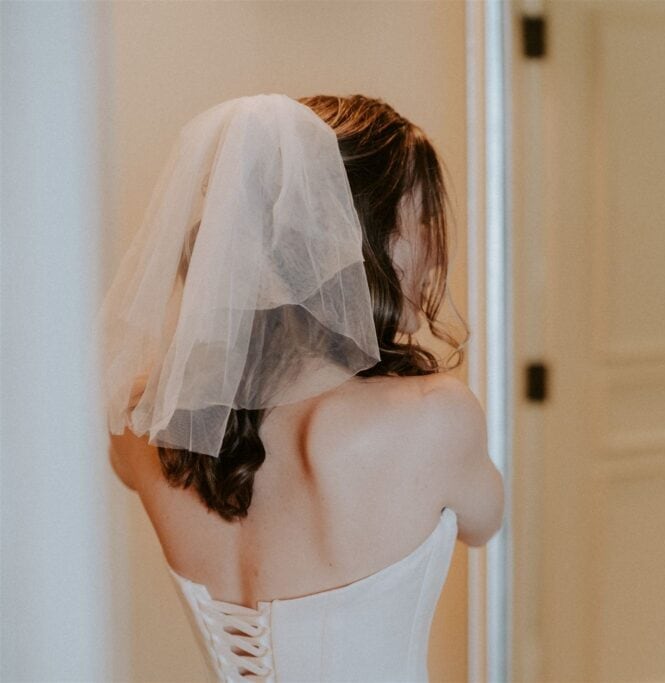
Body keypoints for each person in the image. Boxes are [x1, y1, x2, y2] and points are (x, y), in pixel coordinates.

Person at [103, 94, 504, 682]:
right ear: (363, 239)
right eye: (420, 223)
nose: (432, 249)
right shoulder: (431, 415)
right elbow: (485, 522)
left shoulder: (145, 421)